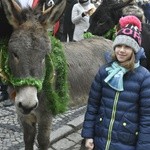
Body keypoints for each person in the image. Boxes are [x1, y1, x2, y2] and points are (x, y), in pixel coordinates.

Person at [81, 15, 150, 150]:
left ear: (135, 50)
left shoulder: (144, 78)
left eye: (127, 47)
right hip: (101, 139)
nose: (122, 50)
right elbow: (93, 106)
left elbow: (147, 118)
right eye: (119, 45)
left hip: (127, 143)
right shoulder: (104, 71)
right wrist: (88, 135)